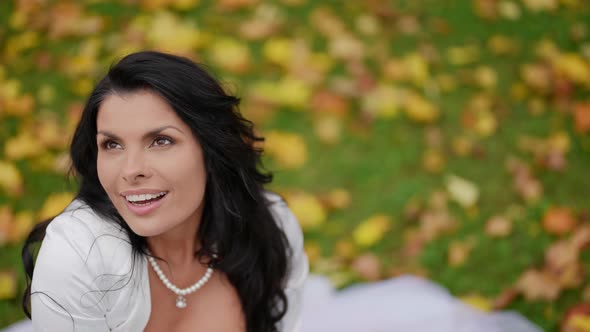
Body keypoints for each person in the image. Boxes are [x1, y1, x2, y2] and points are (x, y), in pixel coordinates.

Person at [20, 51, 309, 332]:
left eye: (160, 141)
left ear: (211, 149)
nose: (131, 170)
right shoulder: (78, 255)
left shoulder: (271, 227)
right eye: (112, 144)